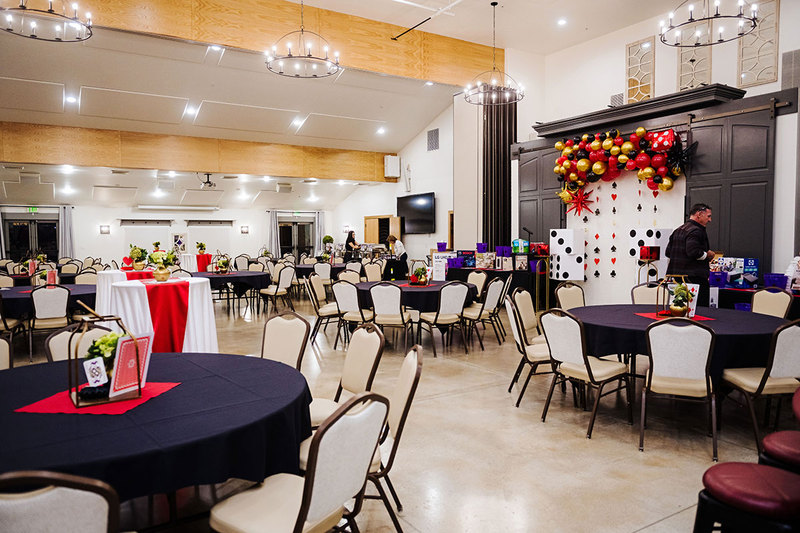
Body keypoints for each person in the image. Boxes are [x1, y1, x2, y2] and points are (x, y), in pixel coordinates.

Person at [666, 203, 715, 307]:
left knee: (680, 308)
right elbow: (693, 251)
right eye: (708, 216)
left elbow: (668, 252)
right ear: (699, 214)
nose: (710, 220)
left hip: (677, 279)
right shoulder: (696, 230)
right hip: (694, 279)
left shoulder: (678, 230)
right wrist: (707, 255)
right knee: (700, 310)